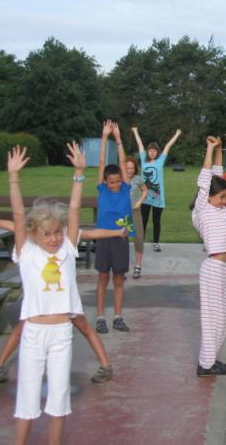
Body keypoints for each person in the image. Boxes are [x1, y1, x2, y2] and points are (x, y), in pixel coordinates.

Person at [9, 143, 86, 445]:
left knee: (59, 400)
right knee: (27, 401)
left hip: (62, 334)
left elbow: (76, 208)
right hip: (33, 334)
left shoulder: (67, 248)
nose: (54, 238)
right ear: (33, 234)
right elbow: (17, 214)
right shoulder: (26, 252)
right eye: (47, 233)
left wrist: (79, 173)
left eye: (58, 231)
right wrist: (14, 178)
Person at [0, 225, 124, 385]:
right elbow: (15, 224)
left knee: (85, 329)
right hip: (41, 302)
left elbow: (92, 233)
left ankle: (106, 366)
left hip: (66, 300)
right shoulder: (33, 235)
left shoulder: (66, 235)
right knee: (20, 330)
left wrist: (118, 232)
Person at [191, 136, 226, 377]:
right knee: (212, 319)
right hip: (212, 268)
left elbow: (217, 174)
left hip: (221, 269)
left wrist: (219, 148)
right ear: (208, 197)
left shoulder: (219, 209)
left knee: (224, 317)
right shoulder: (203, 208)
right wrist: (208, 148)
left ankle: (211, 359)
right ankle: (205, 365)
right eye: (221, 197)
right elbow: (207, 177)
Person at [95, 120, 134, 334]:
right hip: (103, 239)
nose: (115, 184)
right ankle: (101, 317)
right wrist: (104, 137)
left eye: (118, 181)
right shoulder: (101, 190)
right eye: (112, 182)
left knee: (118, 280)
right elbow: (102, 160)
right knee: (102, 279)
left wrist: (118, 139)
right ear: (105, 181)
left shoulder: (125, 188)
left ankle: (118, 316)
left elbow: (122, 160)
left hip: (120, 238)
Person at [131, 126, 182, 252]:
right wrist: (136, 132)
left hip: (158, 197)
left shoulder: (160, 161)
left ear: (157, 152)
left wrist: (176, 134)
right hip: (145, 197)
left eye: (154, 151)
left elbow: (168, 146)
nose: (152, 152)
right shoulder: (143, 159)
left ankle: (156, 243)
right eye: (150, 150)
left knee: (156, 221)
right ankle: (140, 241)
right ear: (147, 152)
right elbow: (140, 144)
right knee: (143, 221)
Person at [125, 156, 147, 279]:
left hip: (135, 212)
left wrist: (139, 202)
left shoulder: (138, 179)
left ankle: (138, 266)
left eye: (132, 168)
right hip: (123, 214)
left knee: (138, 238)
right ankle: (121, 268)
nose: (130, 170)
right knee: (122, 239)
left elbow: (145, 190)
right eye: (127, 168)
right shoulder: (120, 179)